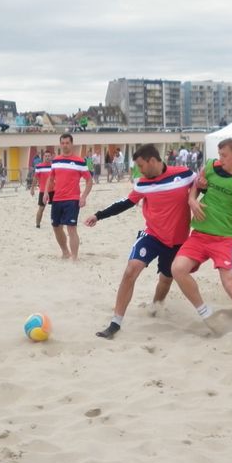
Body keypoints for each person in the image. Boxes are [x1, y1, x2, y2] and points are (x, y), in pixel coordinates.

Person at [85, 144, 196, 340]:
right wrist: (98, 215)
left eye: (141, 165)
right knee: (131, 270)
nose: (140, 170)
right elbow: (125, 203)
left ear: (152, 161)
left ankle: (155, 307)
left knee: (165, 279)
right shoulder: (142, 184)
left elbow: (204, 187)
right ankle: (115, 323)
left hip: (177, 240)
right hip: (152, 235)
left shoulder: (185, 174)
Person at [170, 137, 232, 346]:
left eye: (224, 155)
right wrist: (192, 199)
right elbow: (196, 186)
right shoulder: (211, 166)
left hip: (225, 239)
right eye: (219, 154)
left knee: (230, 283)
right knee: (177, 269)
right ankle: (205, 311)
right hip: (200, 234)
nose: (219, 158)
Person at [45, 133, 93, 260]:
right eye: (63, 143)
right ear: (60, 144)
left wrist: (83, 197)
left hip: (72, 199)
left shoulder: (79, 161)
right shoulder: (55, 161)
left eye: (67, 143)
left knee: (71, 228)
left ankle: (75, 258)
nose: (65, 145)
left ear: (71, 144)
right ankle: (65, 252)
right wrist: (45, 193)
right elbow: (51, 178)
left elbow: (89, 180)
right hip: (57, 199)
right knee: (56, 227)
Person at [31, 151, 53, 228]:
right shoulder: (39, 166)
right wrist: (32, 189)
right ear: (43, 157)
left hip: (53, 190)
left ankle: (57, 223)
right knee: (41, 208)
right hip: (43, 191)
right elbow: (35, 178)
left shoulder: (53, 166)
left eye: (48, 156)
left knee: (57, 207)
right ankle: (37, 224)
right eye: (46, 156)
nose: (47, 157)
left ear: (51, 157)